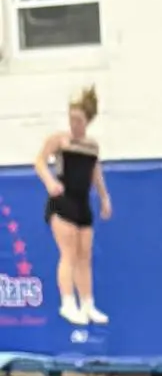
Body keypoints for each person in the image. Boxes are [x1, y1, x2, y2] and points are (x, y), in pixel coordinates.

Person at [34, 85, 111, 326]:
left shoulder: (92, 146)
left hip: (82, 203)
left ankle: (88, 304)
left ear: (88, 120)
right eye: (71, 119)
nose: (74, 124)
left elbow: (95, 172)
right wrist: (49, 181)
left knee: (84, 256)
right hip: (62, 200)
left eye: (78, 120)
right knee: (68, 253)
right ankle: (68, 303)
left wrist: (104, 197)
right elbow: (38, 161)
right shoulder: (60, 140)